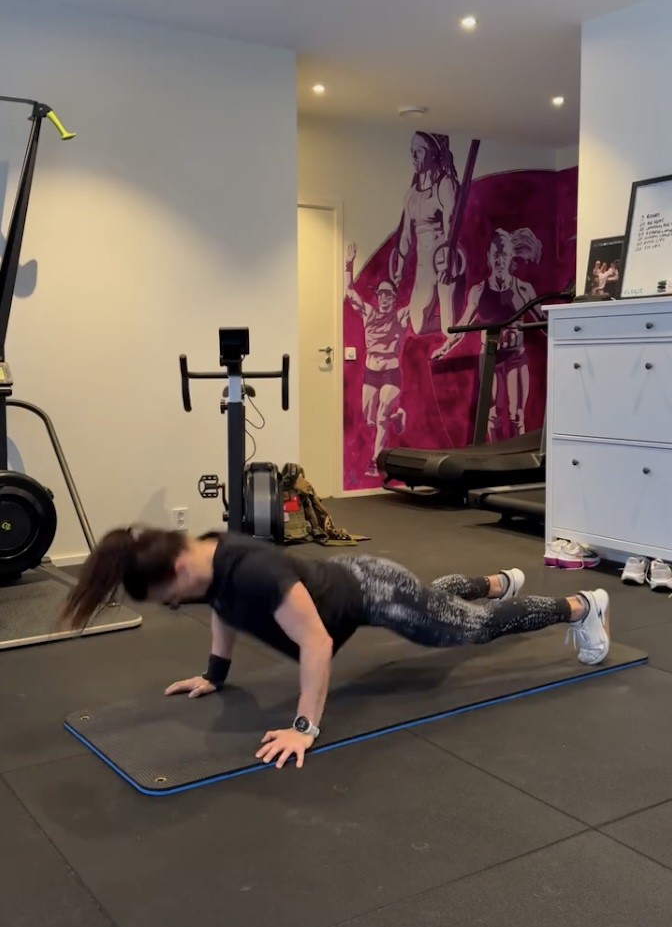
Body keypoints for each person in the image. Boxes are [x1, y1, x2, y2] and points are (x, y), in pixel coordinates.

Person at [61, 527, 611, 770]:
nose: (175, 603)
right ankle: (496, 581)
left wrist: (304, 728)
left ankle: (583, 607)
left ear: (178, 568)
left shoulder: (250, 572)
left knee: (465, 630)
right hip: (349, 582)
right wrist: (214, 674)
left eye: (169, 596)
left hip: (374, 593)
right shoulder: (206, 556)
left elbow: (317, 643)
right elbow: (222, 611)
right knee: (435, 608)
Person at [431, 227, 542, 439]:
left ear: (511, 258)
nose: (500, 260)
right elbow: (463, 326)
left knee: (516, 415)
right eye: (495, 255)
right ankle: (494, 463)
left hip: (515, 357)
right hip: (490, 358)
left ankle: (517, 468)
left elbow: (544, 323)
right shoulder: (479, 291)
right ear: (489, 257)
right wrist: (444, 348)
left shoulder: (523, 289)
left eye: (504, 255)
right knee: (492, 415)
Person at [345, 242, 409, 476]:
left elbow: (425, 301)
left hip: (391, 372)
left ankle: (375, 461)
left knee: (381, 418)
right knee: (369, 418)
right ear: (377, 297)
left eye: (388, 294)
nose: (384, 298)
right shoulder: (368, 314)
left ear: (394, 298)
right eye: (381, 294)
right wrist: (348, 265)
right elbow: (350, 292)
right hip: (371, 372)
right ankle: (398, 415)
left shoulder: (401, 316)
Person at [390, 132, 462, 336]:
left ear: (433, 154)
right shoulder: (411, 195)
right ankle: (455, 329)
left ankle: (453, 331)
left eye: (419, 151)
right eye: (412, 151)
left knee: (449, 325)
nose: (414, 156)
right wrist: (399, 271)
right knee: (419, 325)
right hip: (424, 265)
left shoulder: (445, 185)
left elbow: (450, 226)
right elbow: (405, 235)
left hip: (443, 261)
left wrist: (448, 263)